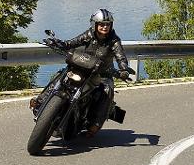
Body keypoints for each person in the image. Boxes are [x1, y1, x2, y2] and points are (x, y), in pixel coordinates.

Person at [33, 8, 132, 137]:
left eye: (107, 24)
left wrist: (123, 69)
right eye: (102, 24)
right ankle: (40, 101)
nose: (105, 27)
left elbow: (121, 56)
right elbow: (72, 42)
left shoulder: (114, 41)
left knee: (107, 90)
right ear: (95, 24)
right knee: (61, 75)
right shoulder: (89, 34)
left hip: (102, 73)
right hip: (82, 66)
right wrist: (59, 43)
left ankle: (95, 125)